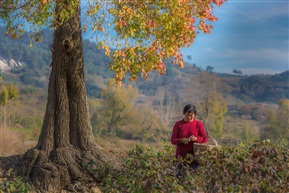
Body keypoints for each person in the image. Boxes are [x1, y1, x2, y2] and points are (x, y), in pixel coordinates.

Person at [171, 104, 208, 173]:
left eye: (192, 115)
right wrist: (181, 140)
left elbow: (205, 138)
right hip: (181, 157)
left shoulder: (198, 124)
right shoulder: (178, 124)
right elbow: (173, 140)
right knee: (180, 178)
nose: (190, 117)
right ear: (184, 113)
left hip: (194, 158)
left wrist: (196, 139)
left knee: (193, 178)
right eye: (188, 115)